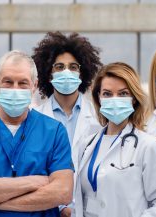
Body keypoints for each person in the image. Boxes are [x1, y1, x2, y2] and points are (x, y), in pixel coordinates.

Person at [0, 50, 74, 217]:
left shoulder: (54, 131)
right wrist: (35, 182)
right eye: (8, 82)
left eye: (23, 83)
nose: (15, 89)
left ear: (34, 85)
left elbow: (63, 192)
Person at [73, 62, 156, 217]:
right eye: (107, 94)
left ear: (134, 98)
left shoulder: (149, 146)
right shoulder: (86, 144)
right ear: (99, 98)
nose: (114, 100)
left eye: (123, 94)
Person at [32, 31, 103, 173]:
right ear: (48, 73)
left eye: (73, 67)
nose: (66, 72)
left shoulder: (99, 117)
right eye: (59, 67)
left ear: (82, 73)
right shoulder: (34, 118)